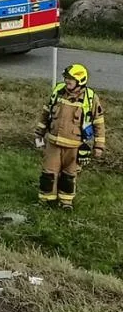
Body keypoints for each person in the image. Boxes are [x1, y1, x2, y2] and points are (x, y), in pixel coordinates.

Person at [35, 64, 106, 209]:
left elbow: (99, 123)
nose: (66, 82)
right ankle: (46, 201)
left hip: (75, 146)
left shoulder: (91, 99)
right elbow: (45, 113)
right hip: (53, 143)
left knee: (69, 176)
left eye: (70, 80)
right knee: (48, 174)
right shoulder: (58, 92)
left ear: (80, 81)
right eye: (66, 79)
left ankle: (66, 202)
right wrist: (39, 134)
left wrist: (98, 146)